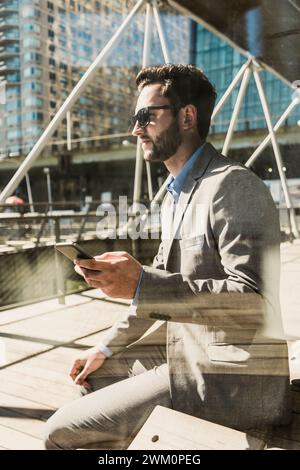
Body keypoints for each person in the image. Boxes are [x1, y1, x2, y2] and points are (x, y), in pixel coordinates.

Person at [44, 64, 292, 450]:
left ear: (187, 116)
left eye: (146, 116)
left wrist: (143, 283)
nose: (135, 129)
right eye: (134, 119)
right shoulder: (178, 192)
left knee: (59, 435)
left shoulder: (232, 185)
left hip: (230, 377)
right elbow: (156, 285)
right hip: (186, 349)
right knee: (95, 375)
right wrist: (105, 346)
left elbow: (254, 302)